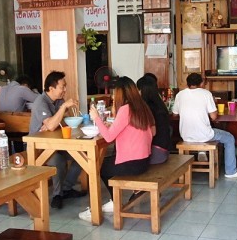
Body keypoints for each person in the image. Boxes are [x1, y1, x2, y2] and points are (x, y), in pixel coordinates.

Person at [82, 77, 156, 221]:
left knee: (99, 167)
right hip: (144, 160)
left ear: (121, 93)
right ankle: (114, 200)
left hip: (132, 164)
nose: (114, 96)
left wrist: (96, 118)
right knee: (105, 164)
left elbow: (109, 138)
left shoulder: (125, 109)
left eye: (115, 93)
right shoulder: (142, 106)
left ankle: (101, 208)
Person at [172, 73, 237, 179]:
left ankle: (202, 151)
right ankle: (231, 171)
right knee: (229, 138)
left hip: (186, 135)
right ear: (201, 83)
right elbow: (214, 117)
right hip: (204, 134)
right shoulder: (206, 94)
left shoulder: (180, 95)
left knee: (203, 132)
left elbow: (174, 114)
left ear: (187, 84)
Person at [30, 71, 83, 209]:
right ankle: (57, 195)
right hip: (39, 146)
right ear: (51, 88)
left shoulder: (58, 100)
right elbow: (53, 125)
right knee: (57, 160)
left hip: (56, 143)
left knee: (83, 155)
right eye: (62, 87)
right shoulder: (40, 102)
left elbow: (60, 123)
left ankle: (66, 188)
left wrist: (57, 118)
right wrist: (63, 108)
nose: (65, 90)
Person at [137, 74, 173, 164]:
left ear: (142, 90)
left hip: (155, 154)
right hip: (164, 150)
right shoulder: (159, 105)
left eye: (138, 90)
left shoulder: (146, 108)